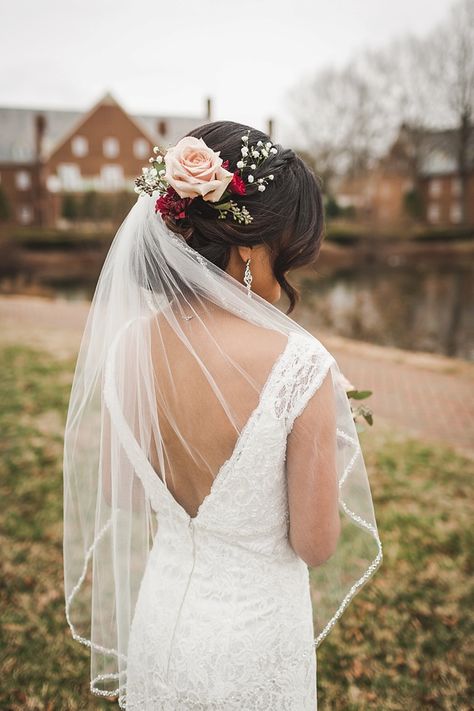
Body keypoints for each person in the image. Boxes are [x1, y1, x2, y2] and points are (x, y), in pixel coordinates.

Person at [63, 121, 383, 710]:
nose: (290, 272)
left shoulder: (129, 345)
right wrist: (332, 441)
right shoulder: (299, 363)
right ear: (247, 248)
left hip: (162, 625)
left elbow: (121, 489)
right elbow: (314, 545)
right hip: (255, 645)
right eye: (287, 251)